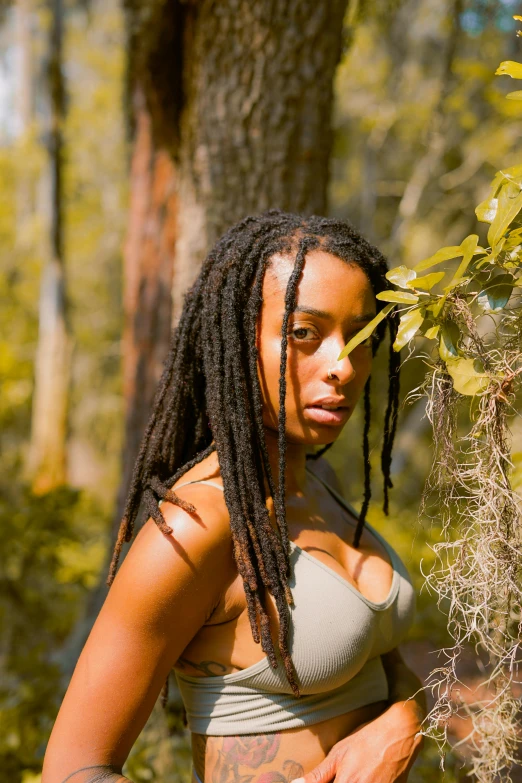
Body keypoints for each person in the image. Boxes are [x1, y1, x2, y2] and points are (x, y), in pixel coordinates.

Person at [42, 211, 427, 783]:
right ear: (238, 338)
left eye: (362, 334)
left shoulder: (324, 489)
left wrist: (408, 719)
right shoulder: (198, 525)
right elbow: (73, 771)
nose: (342, 365)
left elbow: (379, 666)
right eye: (304, 334)